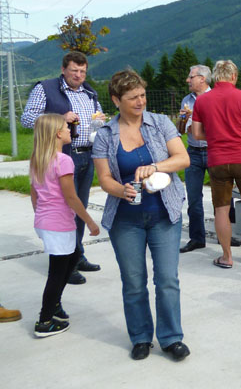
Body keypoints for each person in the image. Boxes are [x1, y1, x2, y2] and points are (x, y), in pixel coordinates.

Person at [93, 69, 191, 361]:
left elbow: (182, 158)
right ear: (116, 100)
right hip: (125, 220)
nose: (140, 101)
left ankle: (171, 338)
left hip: (163, 214)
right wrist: (120, 190)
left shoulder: (160, 123)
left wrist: (156, 166)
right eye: (132, 97)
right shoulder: (105, 135)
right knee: (134, 282)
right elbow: (104, 178)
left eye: (142, 95)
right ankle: (140, 338)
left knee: (167, 280)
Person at [21, 51, 106, 285]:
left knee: (80, 206)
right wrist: (60, 117)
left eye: (83, 71)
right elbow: (27, 119)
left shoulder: (89, 92)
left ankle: (77, 255)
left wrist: (100, 121)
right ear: (63, 69)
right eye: (74, 70)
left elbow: (96, 120)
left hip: (87, 154)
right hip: (61, 156)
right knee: (67, 207)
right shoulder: (46, 88)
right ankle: (66, 263)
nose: (79, 75)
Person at [29, 114, 101, 337]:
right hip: (59, 224)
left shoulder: (38, 159)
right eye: (66, 127)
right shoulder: (63, 161)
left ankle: (55, 305)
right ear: (58, 134)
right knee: (57, 272)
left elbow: (34, 195)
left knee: (73, 257)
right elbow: (71, 197)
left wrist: (42, 218)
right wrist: (90, 221)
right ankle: (45, 320)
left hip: (45, 222)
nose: (70, 130)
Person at [191, 60, 241, 268]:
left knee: (221, 208)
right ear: (234, 76)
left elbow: (196, 133)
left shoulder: (202, 101)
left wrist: (215, 136)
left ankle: (226, 256)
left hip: (217, 159)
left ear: (215, 76)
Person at [178, 64, 212, 253]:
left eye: (191, 77)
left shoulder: (215, 97)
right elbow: (181, 130)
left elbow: (217, 127)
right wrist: (183, 120)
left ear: (202, 78)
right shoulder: (187, 100)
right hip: (193, 152)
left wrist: (198, 119)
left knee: (222, 196)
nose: (187, 80)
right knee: (193, 197)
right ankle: (197, 238)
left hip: (213, 149)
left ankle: (226, 235)